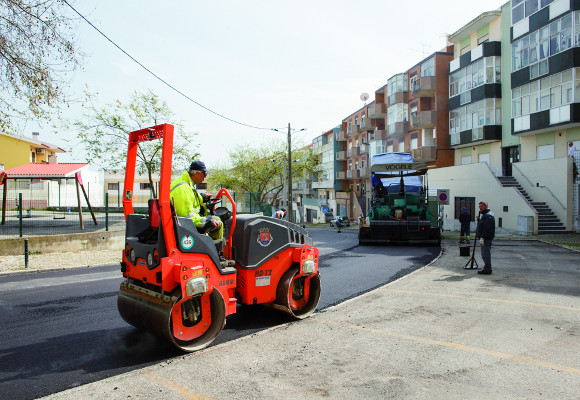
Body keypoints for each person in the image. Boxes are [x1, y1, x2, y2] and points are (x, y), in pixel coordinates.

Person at [170, 161, 231, 266]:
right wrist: (209, 221)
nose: (205, 177)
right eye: (204, 174)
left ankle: (215, 253)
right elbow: (187, 216)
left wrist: (203, 196)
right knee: (218, 223)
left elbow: (193, 198)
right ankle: (216, 256)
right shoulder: (183, 188)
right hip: (186, 223)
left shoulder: (187, 184)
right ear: (198, 173)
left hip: (186, 220)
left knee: (214, 218)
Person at [475, 201, 495, 275]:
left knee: (485, 254)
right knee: (485, 253)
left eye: (482, 206)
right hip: (485, 238)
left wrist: (482, 237)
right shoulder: (485, 215)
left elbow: (487, 228)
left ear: (486, 206)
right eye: (479, 206)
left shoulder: (487, 216)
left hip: (486, 238)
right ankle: (487, 267)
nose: (480, 208)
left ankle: (487, 269)